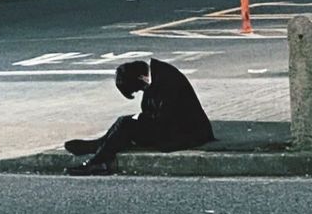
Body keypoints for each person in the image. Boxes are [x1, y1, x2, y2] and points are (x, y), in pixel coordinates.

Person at [64, 58, 214, 176]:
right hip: (174, 125)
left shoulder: (167, 80)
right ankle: (101, 146)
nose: (141, 92)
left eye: (138, 89)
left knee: (126, 124)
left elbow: (164, 116)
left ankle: (98, 161)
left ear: (141, 77)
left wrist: (140, 119)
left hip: (187, 132)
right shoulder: (155, 76)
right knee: (124, 121)